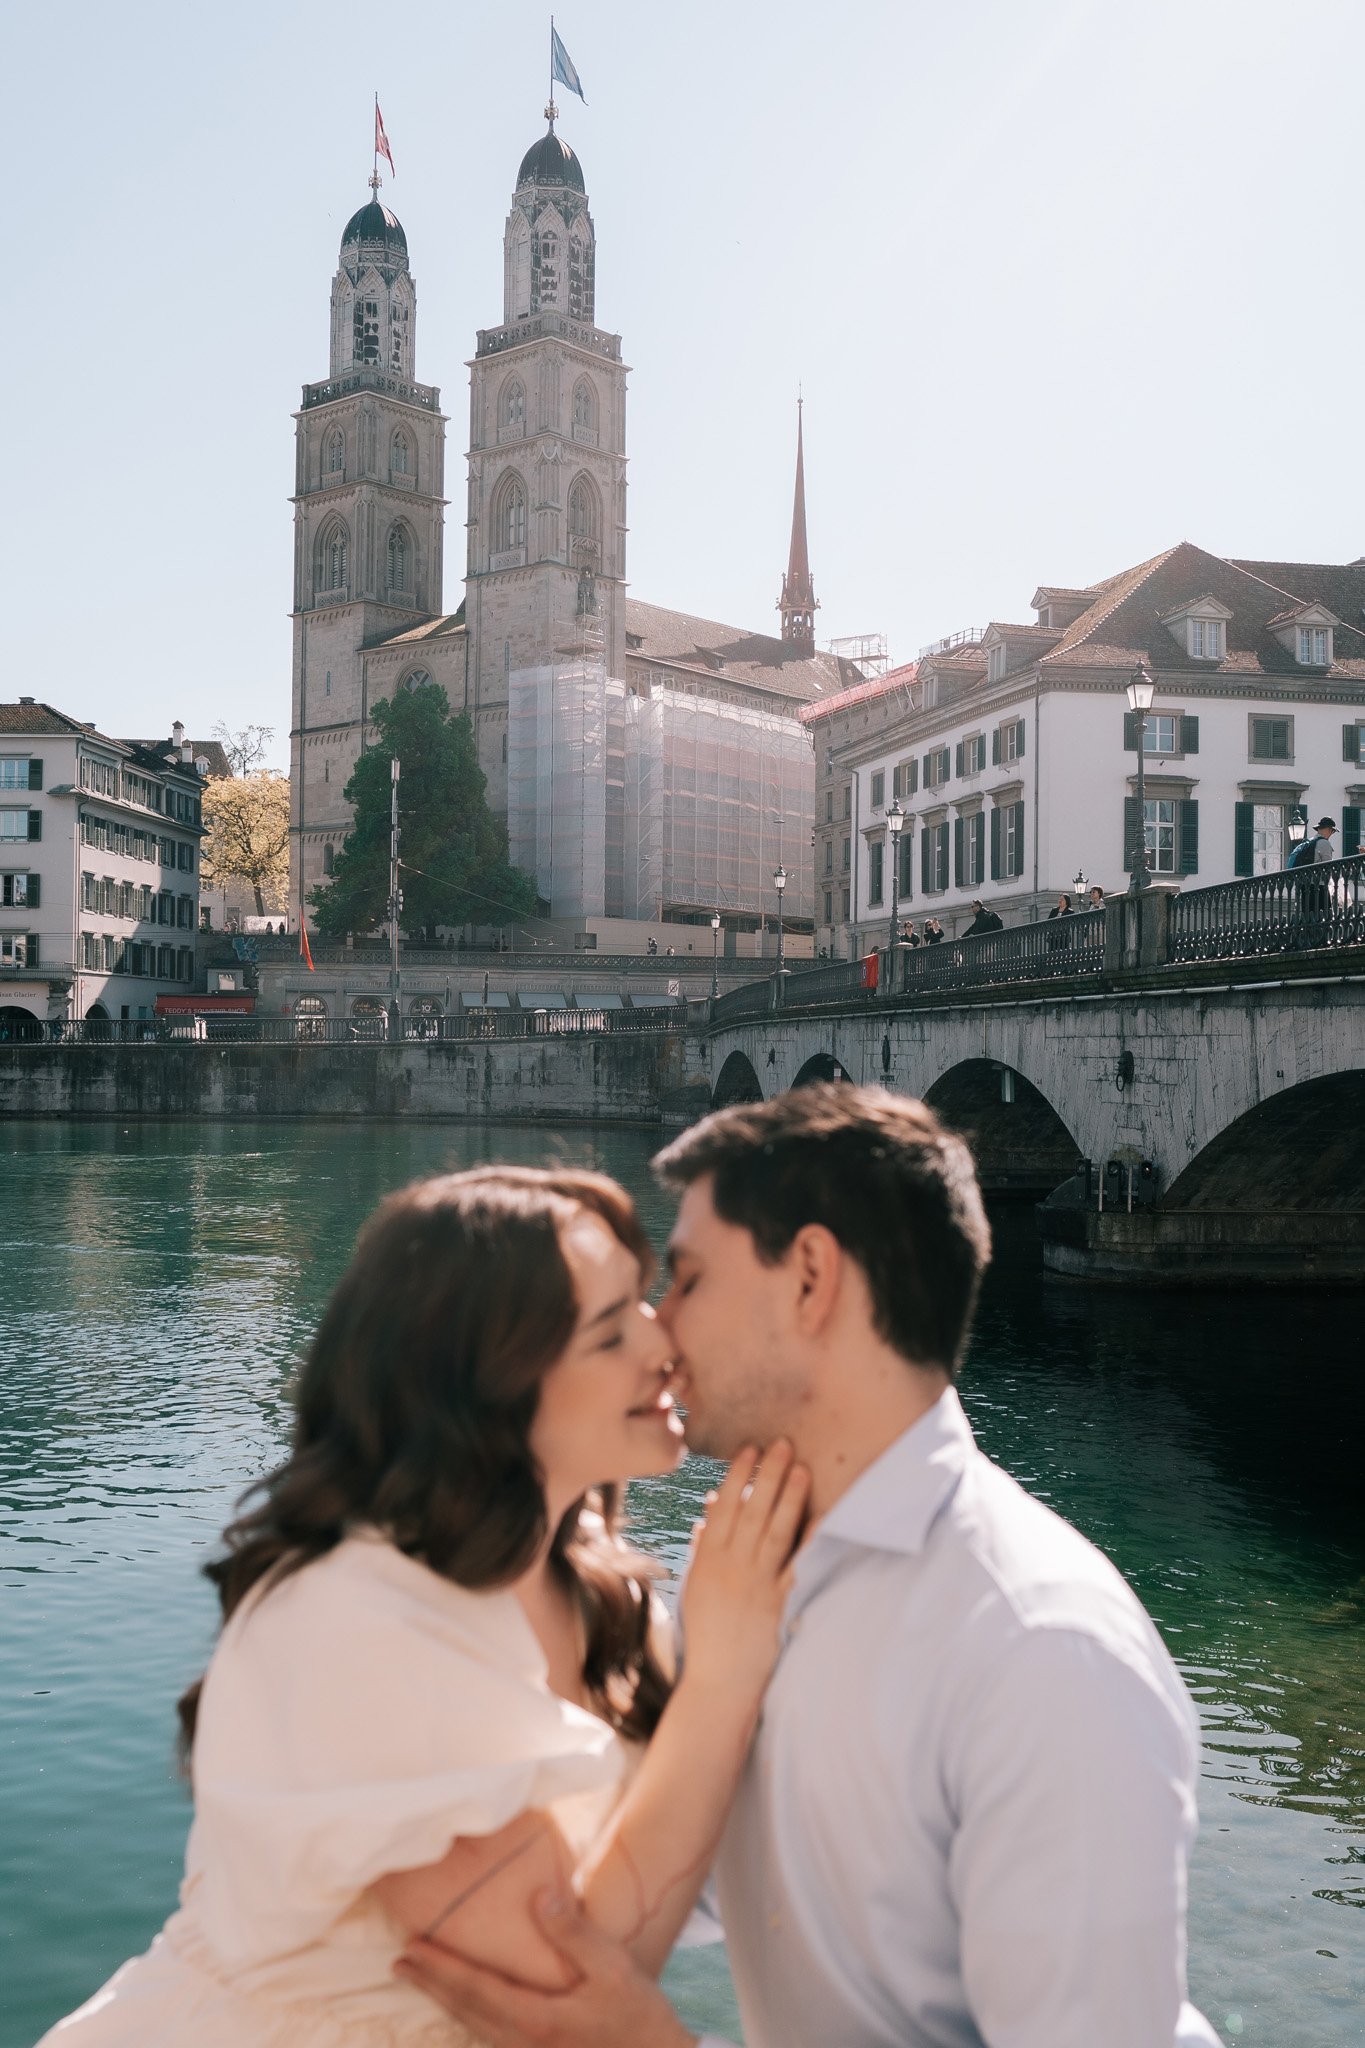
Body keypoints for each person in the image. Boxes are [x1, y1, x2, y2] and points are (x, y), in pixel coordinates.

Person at [402, 1088, 1219, 2048]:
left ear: (810, 1279)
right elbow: (669, 1895)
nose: (661, 1329)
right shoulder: (745, 1579)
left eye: (691, 1280)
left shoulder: (1039, 1649)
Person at [41, 1167, 806, 2046]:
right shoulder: (350, 1623)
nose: (660, 1342)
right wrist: (725, 1677)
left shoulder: (597, 1580)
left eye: (644, 1300)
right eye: (608, 1333)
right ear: (489, 1392)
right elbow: (564, 1988)